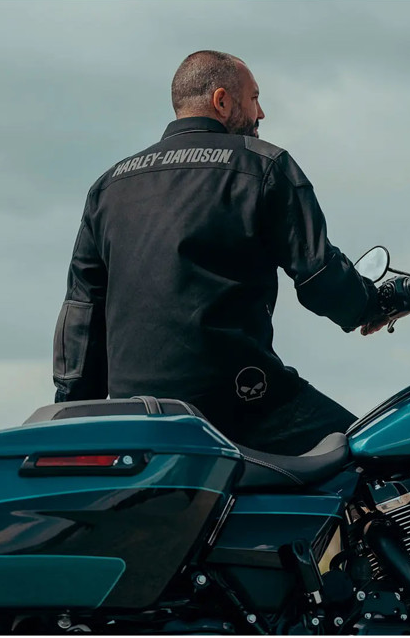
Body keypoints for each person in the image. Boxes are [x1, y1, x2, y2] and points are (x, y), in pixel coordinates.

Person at [52, 50, 386, 455]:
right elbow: (318, 276)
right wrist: (373, 306)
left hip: (138, 418)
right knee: (376, 453)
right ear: (222, 101)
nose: (261, 113)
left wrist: (73, 414)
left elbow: (82, 313)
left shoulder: (109, 186)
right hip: (243, 405)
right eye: (254, 98)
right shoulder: (264, 167)